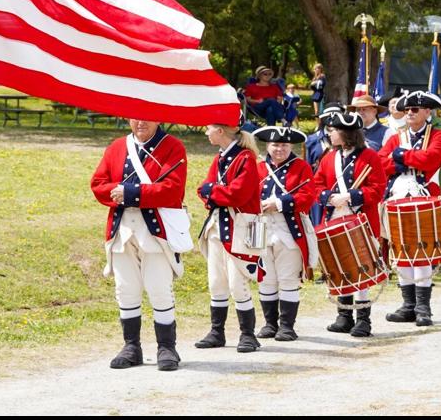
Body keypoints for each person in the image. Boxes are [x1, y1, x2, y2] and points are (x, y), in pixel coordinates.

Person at [91, 117, 190, 370]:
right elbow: (98, 185)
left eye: (146, 117)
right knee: (126, 288)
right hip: (122, 229)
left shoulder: (173, 147)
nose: (140, 122)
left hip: (155, 231)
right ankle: (131, 346)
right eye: (134, 117)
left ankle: (167, 347)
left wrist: (131, 193)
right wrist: (123, 192)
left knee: (159, 287)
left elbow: (172, 190)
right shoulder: (116, 147)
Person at [376, 90, 441, 324]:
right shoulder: (395, 136)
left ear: (427, 112)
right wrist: (403, 159)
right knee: (400, 252)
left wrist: (401, 155)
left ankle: (423, 307)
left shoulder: (438, 135)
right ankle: (408, 304)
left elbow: (432, 159)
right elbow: (381, 163)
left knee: (423, 251)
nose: (409, 113)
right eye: (407, 110)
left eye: (415, 110)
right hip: (397, 198)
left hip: (424, 198)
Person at [312, 109, 388, 336]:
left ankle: (363, 320)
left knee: (360, 268)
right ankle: (344, 315)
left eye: (334, 130)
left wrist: (352, 196)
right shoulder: (329, 158)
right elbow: (316, 185)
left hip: (360, 219)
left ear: (347, 134)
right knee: (340, 265)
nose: (330, 133)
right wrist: (328, 197)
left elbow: (378, 188)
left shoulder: (370, 157)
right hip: (335, 216)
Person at [194, 121, 264, 352]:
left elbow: (238, 194)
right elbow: (202, 189)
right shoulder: (220, 158)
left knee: (238, 282)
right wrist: (214, 193)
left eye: (209, 128)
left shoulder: (246, 159)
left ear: (220, 131)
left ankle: (248, 334)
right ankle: (217, 332)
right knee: (216, 281)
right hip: (218, 226)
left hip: (244, 228)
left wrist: (212, 192)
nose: (206, 132)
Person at [251, 125, 318, 340]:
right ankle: (270, 324)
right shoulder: (258, 167)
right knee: (265, 277)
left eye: (284, 145)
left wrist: (280, 202)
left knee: (288, 278)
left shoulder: (301, 167)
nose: (279, 149)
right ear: (268, 146)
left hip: (287, 227)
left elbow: (308, 196)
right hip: (259, 225)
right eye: (275, 145)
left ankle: (287, 326)